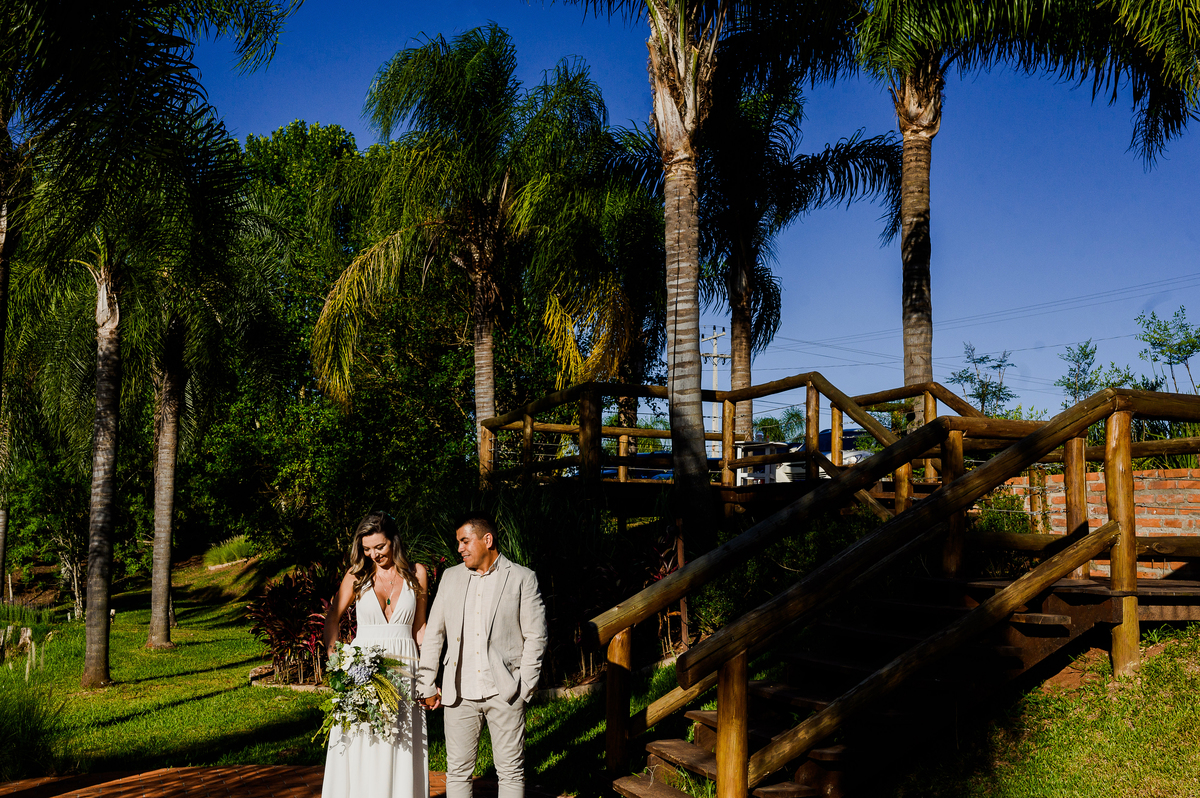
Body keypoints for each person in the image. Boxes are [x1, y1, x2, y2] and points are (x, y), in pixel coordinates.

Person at [417, 514, 547, 798]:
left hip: (505, 691)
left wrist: (525, 686)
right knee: (457, 772)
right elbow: (435, 633)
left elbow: (536, 636)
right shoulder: (450, 577)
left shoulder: (522, 578)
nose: (459, 548)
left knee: (511, 772)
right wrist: (426, 682)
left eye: (465, 541)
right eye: (458, 542)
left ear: (487, 540)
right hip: (458, 693)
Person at [322, 512, 430, 798]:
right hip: (363, 671)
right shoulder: (356, 575)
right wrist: (336, 659)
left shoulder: (417, 573)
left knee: (402, 742)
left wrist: (429, 675)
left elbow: (420, 627)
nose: (374, 554)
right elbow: (332, 616)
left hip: (405, 668)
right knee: (363, 742)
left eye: (380, 547)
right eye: (367, 549)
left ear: (394, 540)